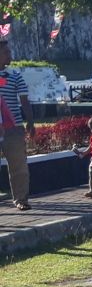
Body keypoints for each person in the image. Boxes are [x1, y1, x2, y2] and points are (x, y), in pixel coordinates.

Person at [0, 40, 36, 210]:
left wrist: (30, 121)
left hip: (12, 128)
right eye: (6, 52)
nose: (10, 55)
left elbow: (24, 101)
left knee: (18, 165)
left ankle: (21, 199)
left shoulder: (15, 76)